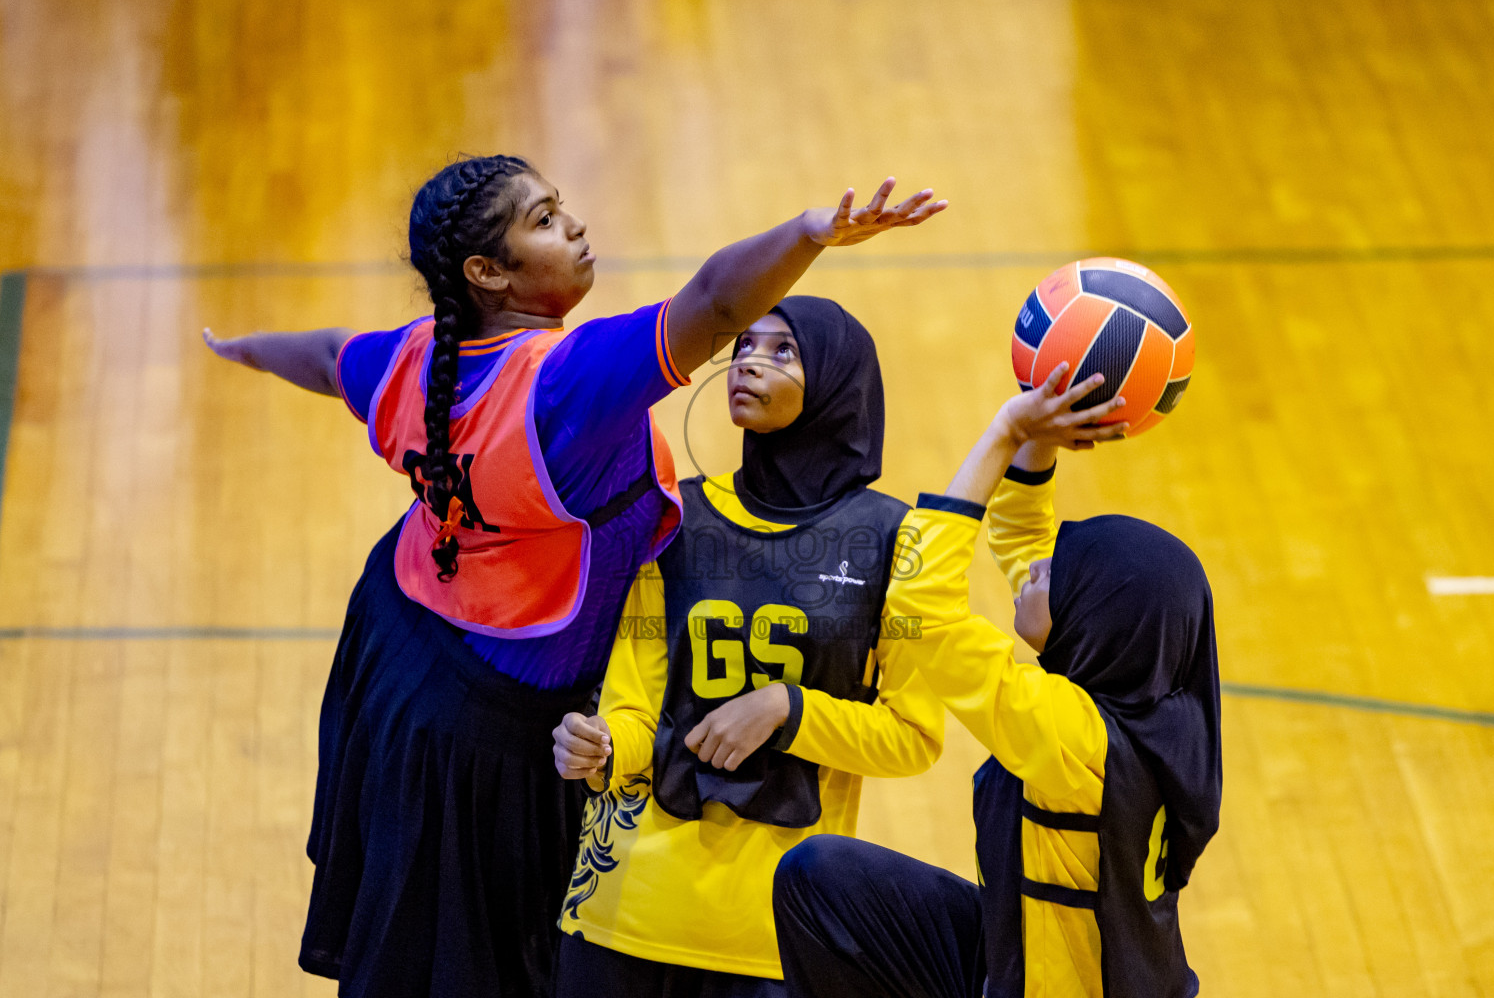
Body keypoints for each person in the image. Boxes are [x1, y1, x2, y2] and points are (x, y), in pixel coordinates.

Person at [201, 154, 945, 998]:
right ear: (487, 273)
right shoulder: (565, 388)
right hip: (495, 733)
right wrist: (809, 235)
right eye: (546, 220)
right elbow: (712, 303)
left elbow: (332, 356)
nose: (576, 225)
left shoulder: (417, 356)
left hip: (398, 663)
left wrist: (247, 350)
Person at [771, 363, 1222, 998]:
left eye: (1057, 574)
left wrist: (1005, 431)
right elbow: (1021, 535)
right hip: (1029, 957)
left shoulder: (1071, 737)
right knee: (822, 878)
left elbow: (920, 609)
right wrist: (1046, 430)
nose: (1035, 566)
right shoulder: (1146, 701)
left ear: (1090, 622)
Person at [546, 297, 947, 998]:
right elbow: (637, 708)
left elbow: (912, 736)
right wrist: (602, 746)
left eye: (783, 351)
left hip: (770, 933)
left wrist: (789, 710)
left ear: (835, 382)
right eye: (744, 346)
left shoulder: (895, 540)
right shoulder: (677, 515)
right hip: (627, 908)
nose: (749, 362)